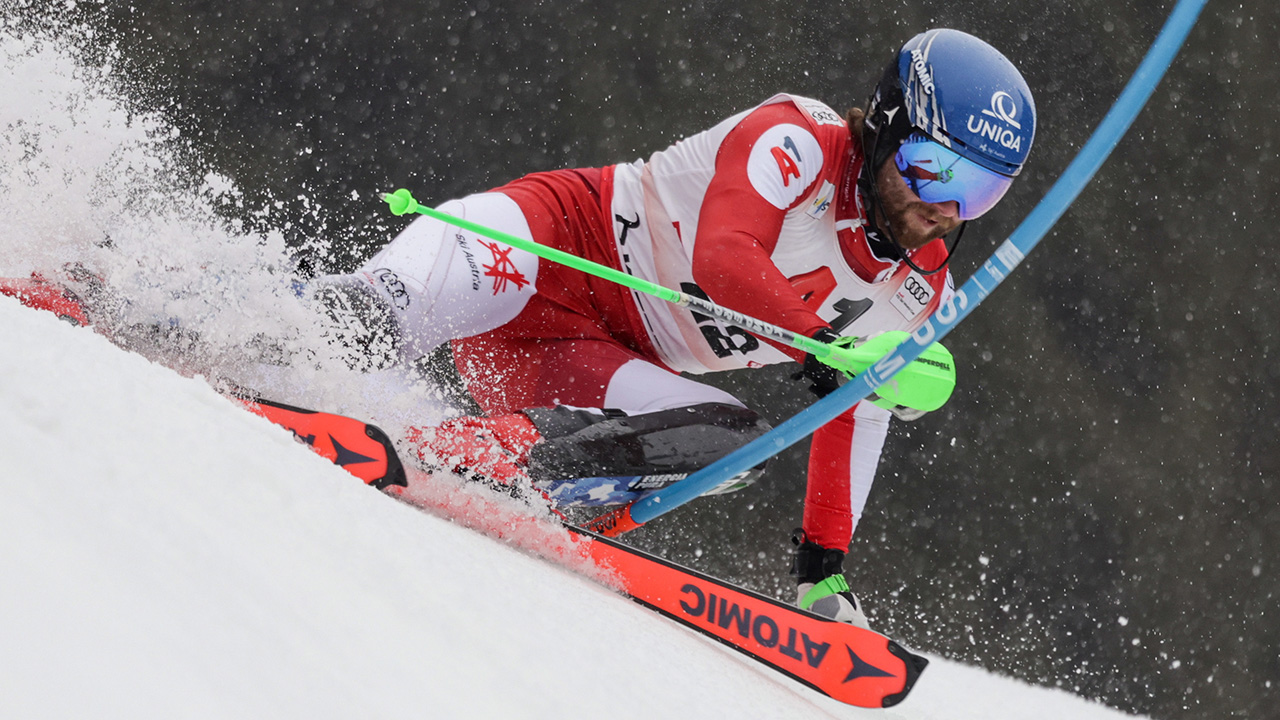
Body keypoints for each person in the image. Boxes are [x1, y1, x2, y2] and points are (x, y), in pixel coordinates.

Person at [305, 28, 1038, 627]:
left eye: (981, 191)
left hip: (585, 359)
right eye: (935, 170)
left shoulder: (919, 286)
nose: (946, 209)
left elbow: (861, 407)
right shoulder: (800, 141)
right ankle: (222, 313)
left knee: (727, 441)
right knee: (361, 322)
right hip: (543, 246)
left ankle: (462, 459)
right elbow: (724, 255)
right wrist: (829, 347)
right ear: (884, 129)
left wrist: (824, 569)